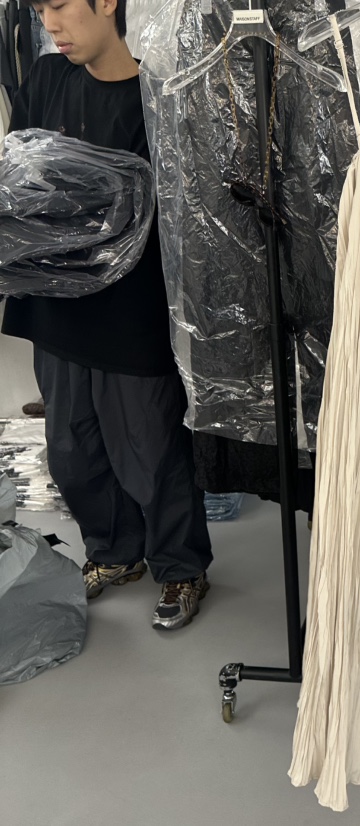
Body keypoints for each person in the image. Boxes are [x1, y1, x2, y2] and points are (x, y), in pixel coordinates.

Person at [3, 0, 213, 630]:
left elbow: (161, 213)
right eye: (40, 9)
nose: (51, 25)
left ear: (107, 3)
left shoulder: (159, 98)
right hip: (56, 306)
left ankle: (181, 566)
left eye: (61, 5)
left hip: (130, 311)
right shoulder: (46, 79)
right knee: (73, 449)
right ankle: (114, 552)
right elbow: (20, 185)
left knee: (152, 448)